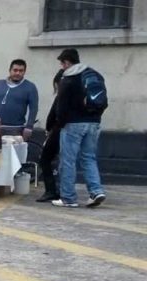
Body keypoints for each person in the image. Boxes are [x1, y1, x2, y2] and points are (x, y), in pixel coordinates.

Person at [52, 48, 107, 208]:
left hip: (73, 123)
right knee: (89, 158)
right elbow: (104, 101)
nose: (62, 67)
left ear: (67, 62)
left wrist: (60, 123)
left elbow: (61, 106)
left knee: (68, 160)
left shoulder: (69, 77)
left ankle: (68, 198)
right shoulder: (95, 75)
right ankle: (96, 191)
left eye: (62, 63)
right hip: (94, 123)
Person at [0, 59, 39, 140]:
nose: (17, 73)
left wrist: (29, 127)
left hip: (17, 129)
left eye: (21, 71)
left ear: (24, 72)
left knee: (15, 152)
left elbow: (34, 108)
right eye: (15, 70)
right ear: (10, 70)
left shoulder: (30, 87)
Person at [36, 69, 65, 202]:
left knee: (45, 159)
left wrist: (48, 129)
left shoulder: (62, 95)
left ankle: (51, 190)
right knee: (65, 162)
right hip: (70, 131)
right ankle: (63, 190)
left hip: (58, 131)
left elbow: (53, 114)